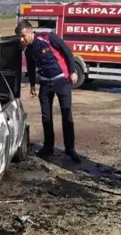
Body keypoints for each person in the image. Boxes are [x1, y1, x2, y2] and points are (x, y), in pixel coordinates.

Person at [16, 20, 81, 163]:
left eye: (22, 36)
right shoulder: (28, 49)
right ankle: (48, 147)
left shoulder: (49, 38)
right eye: (19, 37)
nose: (22, 39)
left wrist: (73, 71)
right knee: (46, 116)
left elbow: (67, 51)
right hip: (45, 84)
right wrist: (32, 86)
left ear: (30, 31)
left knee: (66, 115)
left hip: (62, 81)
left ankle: (70, 149)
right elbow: (31, 68)